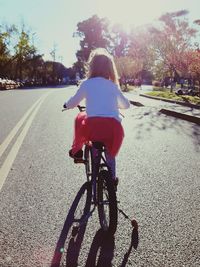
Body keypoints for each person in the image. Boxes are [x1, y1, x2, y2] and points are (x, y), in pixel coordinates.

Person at [63, 48, 130, 184]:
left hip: (93, 128)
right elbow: (126, 105)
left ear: (91, 66)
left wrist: (66, 105)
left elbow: (73, 101)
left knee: (81, 118)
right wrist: (115, 105)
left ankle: (92, 182)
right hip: (113, 129)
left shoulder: (87, 84)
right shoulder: (112, 86)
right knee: (110, 154)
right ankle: (112, 180)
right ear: (110, 68)